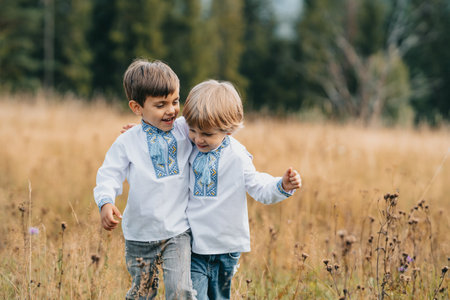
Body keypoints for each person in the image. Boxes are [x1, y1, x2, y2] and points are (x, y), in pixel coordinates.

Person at [182, 80, 302, 300]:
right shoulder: (188, 146)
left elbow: (258, 186)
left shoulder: (237, 156)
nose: (198, 139)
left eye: (207, 134)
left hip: (225, 247)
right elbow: (168, 135)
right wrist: (141, 134)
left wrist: (282, 186)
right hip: (194, 246)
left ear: (228, 128)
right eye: (193, 130)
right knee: (191, 296)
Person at [93, 59, 196, 299]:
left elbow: (211, 118)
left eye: (175, 101)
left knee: (181, 290)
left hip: (177, 231)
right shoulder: (128, 141)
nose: (171, 110)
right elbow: (109, 174)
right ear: (137, 108)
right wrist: (106, 201)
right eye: (161, 105)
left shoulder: (184, 129)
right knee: (142, 292)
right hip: (139, 234)